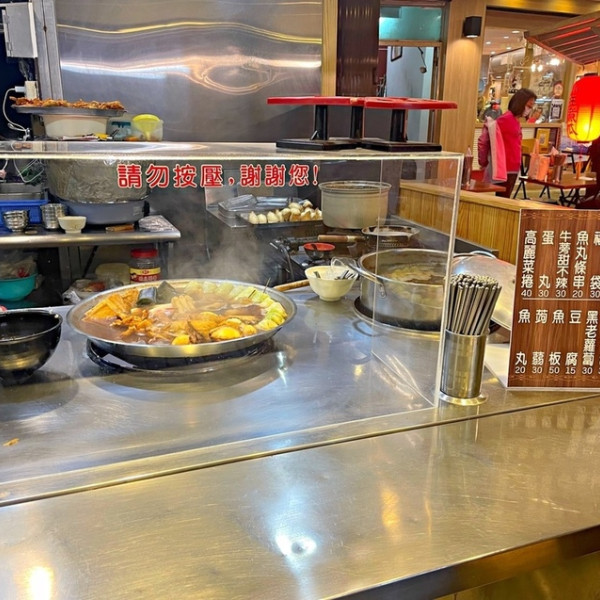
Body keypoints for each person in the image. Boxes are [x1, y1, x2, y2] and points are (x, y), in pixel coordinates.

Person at [477, 88, 537, 198]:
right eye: (529, 106)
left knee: (504, 198)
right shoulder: (506, 119)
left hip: (511, 167)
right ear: (520, 103)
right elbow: (485, 140)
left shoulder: (515, 120)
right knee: (503, 199)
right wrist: (483, 161)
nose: (529, 109)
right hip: (505, 169)